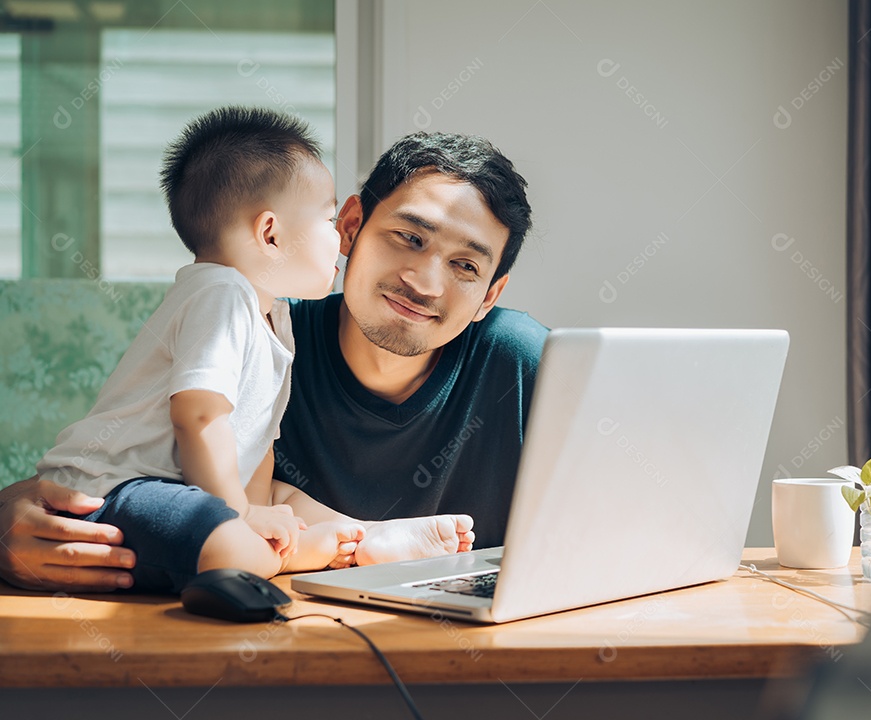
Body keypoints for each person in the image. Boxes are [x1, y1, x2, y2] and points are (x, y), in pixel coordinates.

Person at [0, 127, 546, 592]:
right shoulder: (255, 325)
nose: (424, 282)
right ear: (349, 228)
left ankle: (360, 540)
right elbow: (115, 465)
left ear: (490, 296)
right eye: (409, 237)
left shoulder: (527, 365)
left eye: (465, 267)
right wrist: (6, 524)